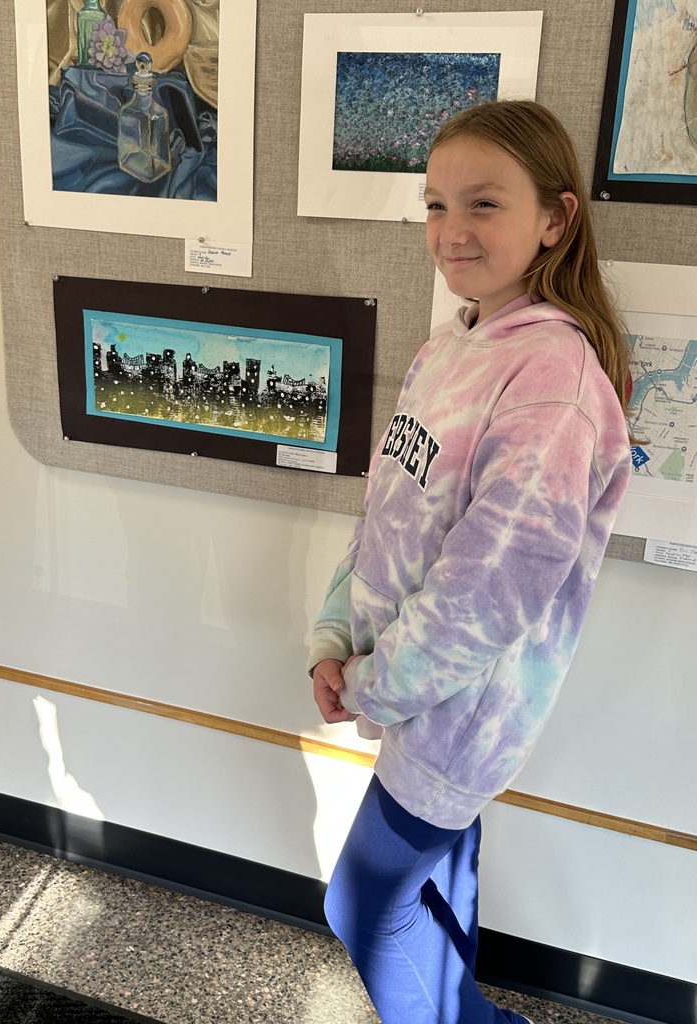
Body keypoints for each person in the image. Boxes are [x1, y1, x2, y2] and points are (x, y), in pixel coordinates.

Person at [308, 100, 632, 1024]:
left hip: (459, 708)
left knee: (364, 907)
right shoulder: (453, 341)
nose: (451, 231)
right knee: (431, 887)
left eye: (483, 204)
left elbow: (487, 593)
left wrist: (375, 683)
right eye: (435, 204)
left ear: (554, 220)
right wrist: (336, 634)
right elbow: (386, 509)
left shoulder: (554, 385)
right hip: (405, 683)